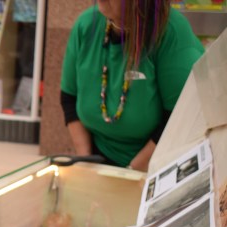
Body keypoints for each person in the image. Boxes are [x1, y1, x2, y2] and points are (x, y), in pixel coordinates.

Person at [60, 0, 204, 171]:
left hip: (158, 165)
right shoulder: (86, 25)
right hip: (99, 159)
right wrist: (86, 162)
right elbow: (69, 98)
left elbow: (181, 117)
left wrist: (131, 172)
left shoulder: (170, 31)